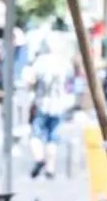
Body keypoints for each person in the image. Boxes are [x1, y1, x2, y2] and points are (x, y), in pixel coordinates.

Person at [22, 44, 75, 179]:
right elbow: (71, 85)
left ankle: (39, 159)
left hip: (41, 103)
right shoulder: (64, 63)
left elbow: (30, 82)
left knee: (35, 135)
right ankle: (50, 169)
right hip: (59, 105)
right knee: (53, 137)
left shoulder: (40, 63)